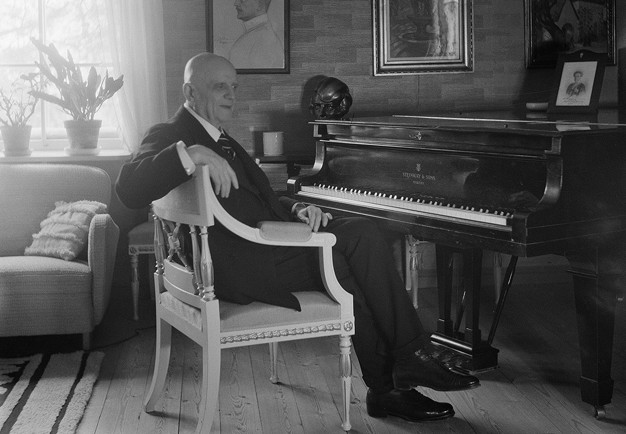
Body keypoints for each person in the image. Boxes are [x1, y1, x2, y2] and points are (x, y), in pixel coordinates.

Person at [116, 53, 480, 423]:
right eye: (219, 86)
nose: (231, 95)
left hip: (257, 251)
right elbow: (128, 188)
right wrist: (190, 153)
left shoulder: (219, 138)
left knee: (359, 240)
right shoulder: (173, 136)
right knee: (358, 246)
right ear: (189, 92)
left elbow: (258, 200)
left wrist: (295, 211)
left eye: (234, 86)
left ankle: (397, 380)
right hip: (237, 268)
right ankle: (406, 367)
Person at [229, 0, 283, 69]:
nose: (236, 3)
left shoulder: (265, 39)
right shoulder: (258, 34)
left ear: (259, 6)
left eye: (242, 0)